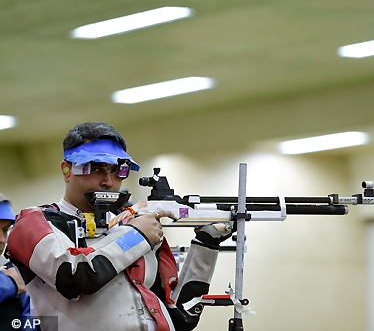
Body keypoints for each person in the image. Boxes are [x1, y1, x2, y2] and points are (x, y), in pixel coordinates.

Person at [7, 122, 232, 331]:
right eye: (95, 168)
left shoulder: (135, 225)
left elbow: (181, 315)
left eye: (118, 170)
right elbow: (74, 277)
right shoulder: (34, 223)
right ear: (67, 170)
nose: (108, 181)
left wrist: (206, 244)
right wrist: (136, 236)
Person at [0, 193, 33, 322]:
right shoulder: (12, 280)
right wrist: (10, 283)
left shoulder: (16, 273)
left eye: (5, 230)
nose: (2, 240)